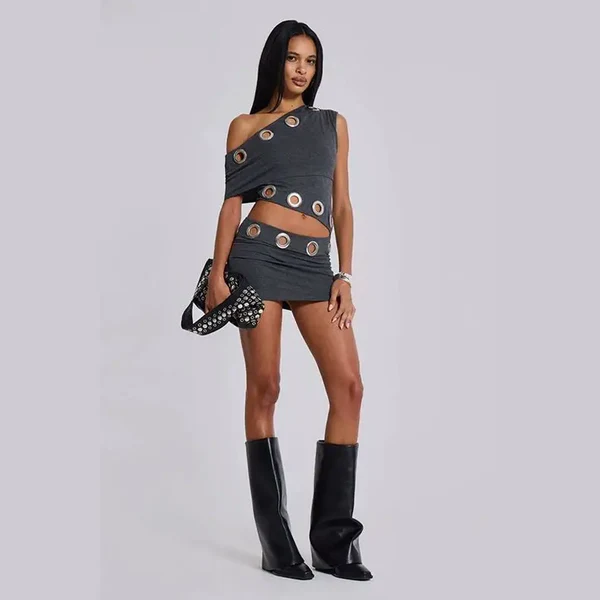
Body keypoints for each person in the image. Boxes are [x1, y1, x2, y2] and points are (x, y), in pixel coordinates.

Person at [205, 20, 373, 582]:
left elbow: (342, 205)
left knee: (349, 387)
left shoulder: (332, 125)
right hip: (255, 260)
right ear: (276, 61)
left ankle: (333, 541)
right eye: (293, 58)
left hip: (314, 267)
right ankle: (276, 541)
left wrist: (343, 274)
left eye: (311, 61)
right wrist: (217, 276)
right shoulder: (245, 126)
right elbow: (232, 204)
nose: (302, 70)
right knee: (266, 386)